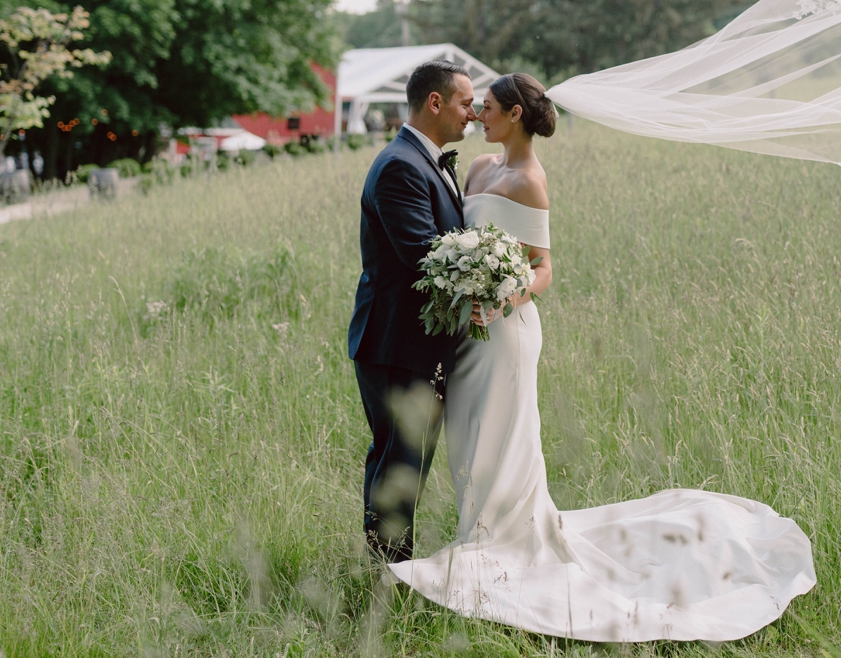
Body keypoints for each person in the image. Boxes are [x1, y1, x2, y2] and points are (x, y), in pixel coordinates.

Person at [389, 73, 817, 643]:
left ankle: (496, 549)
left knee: (502, 441)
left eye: (486, 108)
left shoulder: (530, 181)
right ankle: (480, 539)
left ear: (514, 114)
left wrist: (502, 297)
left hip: (506, 330)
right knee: (471, 440)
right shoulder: (474, 169)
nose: (477, 117)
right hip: (468, 338)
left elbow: (542, 267)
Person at [348, 59, 476, 562]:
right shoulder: (401, 164)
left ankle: (387, 567)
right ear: (436, 102)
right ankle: (390, 573)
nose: (471, 114)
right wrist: (491, 277)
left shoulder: (423, 159)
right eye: (466, 103)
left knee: (401, 458)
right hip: (397, 342)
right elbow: (424, 256)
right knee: (400, 459)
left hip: (411, 342)